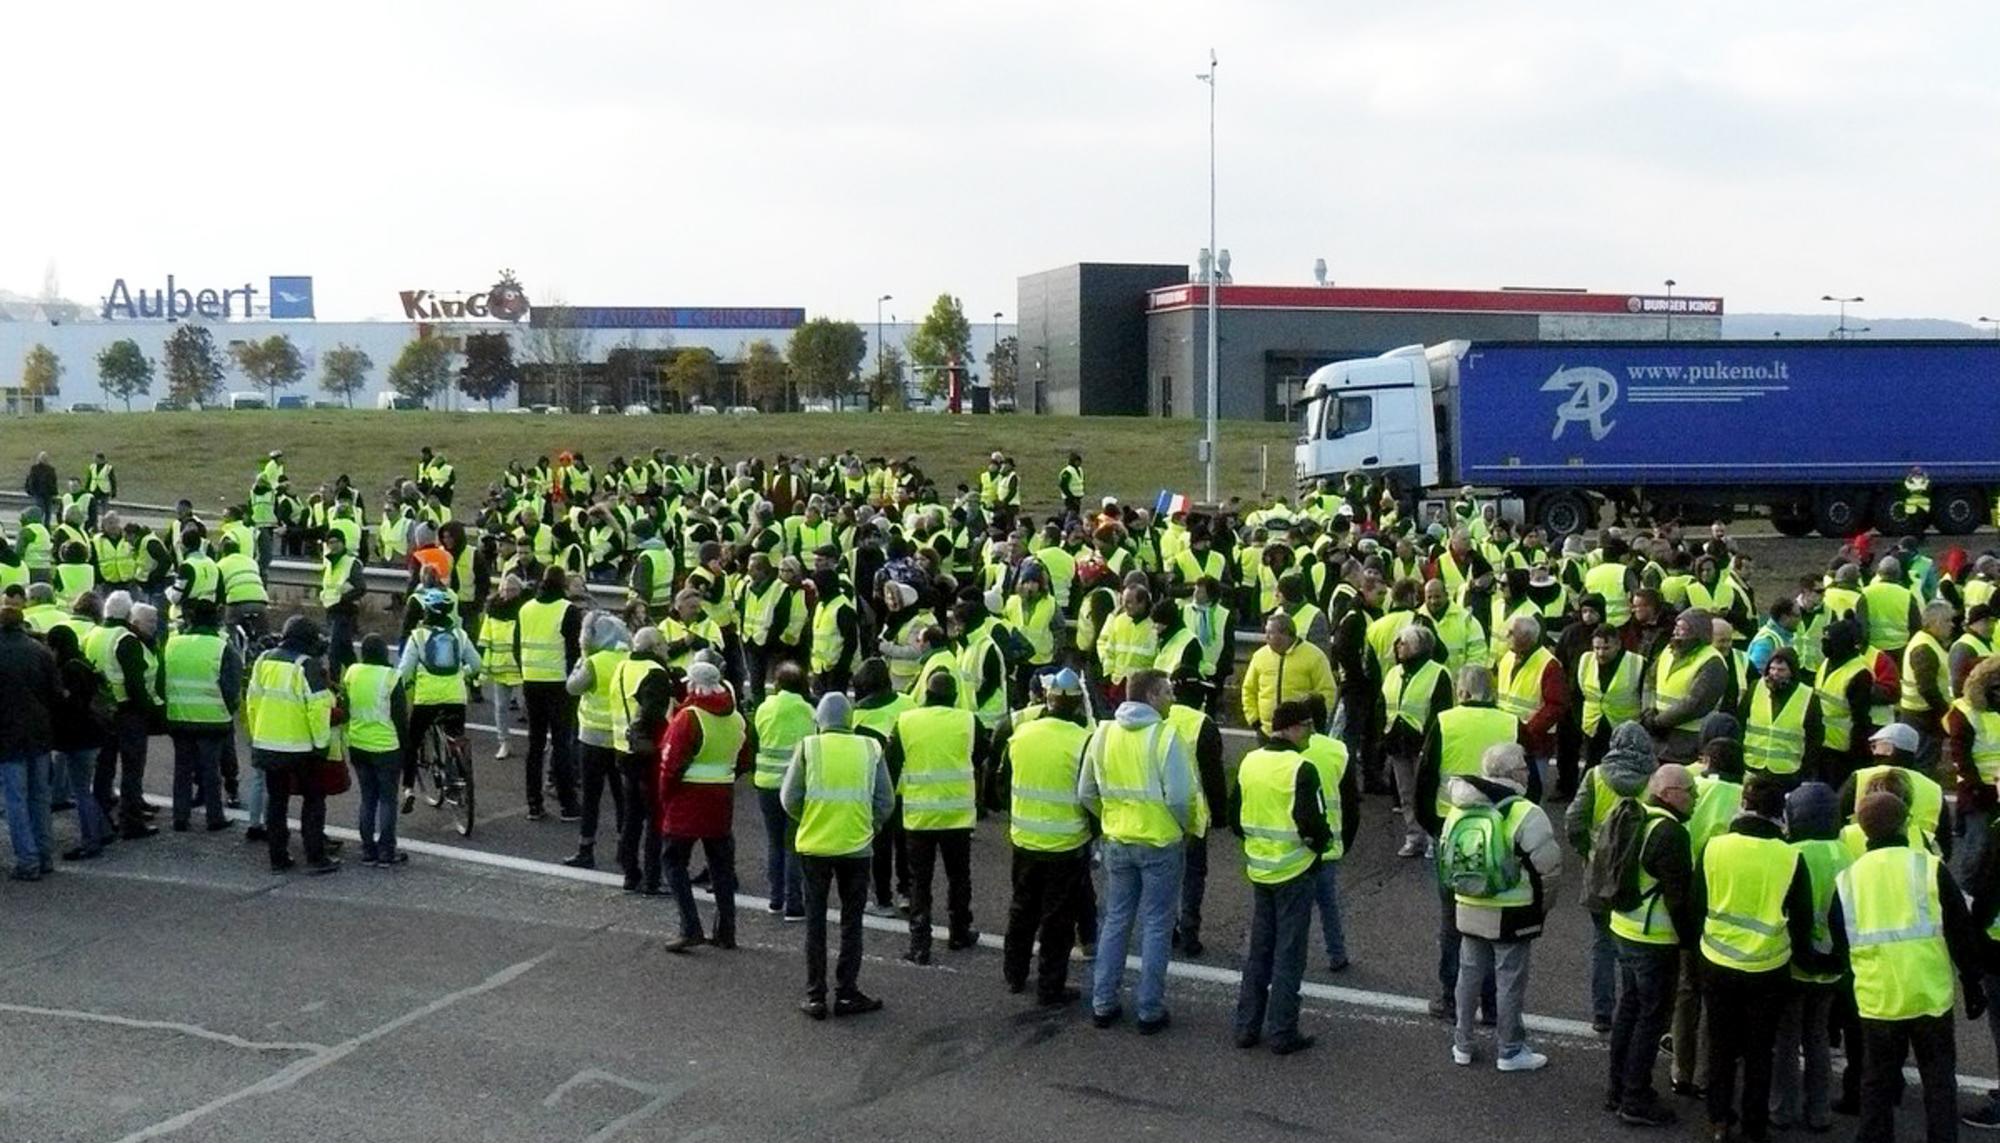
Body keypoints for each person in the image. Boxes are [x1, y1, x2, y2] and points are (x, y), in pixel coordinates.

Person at [1828, 791, 1987, 1143]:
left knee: (1876, 1082)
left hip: (1877, 997)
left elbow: (1840, 940)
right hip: (1929, 994)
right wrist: (1972, 983)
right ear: (1905, 824)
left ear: (1863, 830)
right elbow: (1961, 930)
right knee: (1939, 1080)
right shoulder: (1929, 867)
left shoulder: (1849, 879)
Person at [1693, 774, 1817, 1143]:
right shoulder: (1790, 857)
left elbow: (1697, 903)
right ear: (1780, 813)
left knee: (1721, 1045)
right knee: (1762, 1051)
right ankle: (1754, 1125)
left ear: (1744, 805)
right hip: (1768, 966)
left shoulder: (1715, 848)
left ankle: (1718, 1119)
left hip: (1716, 959)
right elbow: (1802, 918)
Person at [1081, 667, 1196, 1034]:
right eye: (1167, 693)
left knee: (1116, 920)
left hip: (1117, 840)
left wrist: (1110, 818)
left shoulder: (1102, 734)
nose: (1172, 699)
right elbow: (1179, 797)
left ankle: (1103, 1002)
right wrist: (1182, 827)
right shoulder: (1165, 737)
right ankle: (1149, 1009)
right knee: (1157, 925)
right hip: (1160, 842)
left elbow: (1086, 793)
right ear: (1150, 697)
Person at [1443, 741, 1563, 1072]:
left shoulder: (1459, 808)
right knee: (1509, 979)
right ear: (1512, 774)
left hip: (1468, 903)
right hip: (1512, 909)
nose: (1528, 772)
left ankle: (1462, 1043)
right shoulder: (1525, 812)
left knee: (1468, 975)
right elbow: (1548, 868)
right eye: (1524, 767)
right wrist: (1542, 909)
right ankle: (1509, 1049)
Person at [1229, 700, 1332, 1055]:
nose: (1311, 734)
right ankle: (1282, 1030)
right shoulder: (1301, 768)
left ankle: (1246, 1026)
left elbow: (1235, 816)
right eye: (1308, 727)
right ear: (1293, 729)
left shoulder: (1250, 761)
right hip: (1294, 870)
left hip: (1260, 867)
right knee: (1289, 953)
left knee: (1259, 949)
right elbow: (1313, 824)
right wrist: (1321, 846)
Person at [784, 691, 894, 1019]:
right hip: (856, 847)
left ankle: (815, 995)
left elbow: (789, 797)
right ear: (850, 721)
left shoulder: (809, 747)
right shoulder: (870, 748)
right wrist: (869, 826)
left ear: (820, 721)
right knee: (852, 921)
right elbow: (885, 801)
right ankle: (847, 992)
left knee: (815, 921)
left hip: (814, 846)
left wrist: (811, 819)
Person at [1604, 763, 1699, 1128]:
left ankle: (1617, 1088)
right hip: (1653, 938)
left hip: (1623, 928)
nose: (1693, 798)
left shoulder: (1635, 815)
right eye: (1689, 791)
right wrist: (1690, 942)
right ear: (1670, 792)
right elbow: (1678, 899)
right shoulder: (1670, 833)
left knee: (1628, 1010)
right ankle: (1636, 1096)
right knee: (1651, 1018)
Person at [1001, 667, 1094, 1006]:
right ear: (1074, 705)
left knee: (1022, 909)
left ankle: (1014, 974)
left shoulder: (1023, 733)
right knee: (1058, 921)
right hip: (1066, 845)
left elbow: (1002, 782)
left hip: (1024, 838)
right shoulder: (1083, 741)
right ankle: (1050, 987)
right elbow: (1091, 795)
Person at [1567, 721, 1661, 1035]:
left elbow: (1574, 821)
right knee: (1632, 949)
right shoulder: (1654, 780)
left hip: (1599, 871)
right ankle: (1630, 1009)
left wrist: (1588, 852)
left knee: (1602, 945)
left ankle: (1602, 1012)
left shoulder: (1595, 776)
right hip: (1637, 877)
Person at [1769, 781, 1849, 1134]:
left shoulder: (1793, 853)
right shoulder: (1848, 853)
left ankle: (1783, 1109)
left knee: (1786, 1038)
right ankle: (1820, 1111)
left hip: (1797, 960)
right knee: (1818, 1037)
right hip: (1834, 964)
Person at [890, 669, 984, 964]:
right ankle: (959, 931)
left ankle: (920, 943)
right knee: (959, 877)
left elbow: (892, 763)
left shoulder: (906, 721)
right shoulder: (968, 721)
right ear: (954, 697)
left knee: (920, 880)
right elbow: (981, 753)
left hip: (919, 815)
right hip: (956, 815)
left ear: (926, 694)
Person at [657, 661, 751, 953]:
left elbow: (670, 765)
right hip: (721, 801)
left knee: (673, 863)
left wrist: (665, 798)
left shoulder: (689, 718)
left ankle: (690, 927)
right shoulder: (736, 718)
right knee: (722, 868)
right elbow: (746, 759)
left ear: (694, 685)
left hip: (687, 801)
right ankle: (726, 931)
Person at [246, 616, 338, 874]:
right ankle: (315, 855)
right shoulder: (306, 665)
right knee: (313, 800)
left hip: (267, 744)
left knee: (276, 801)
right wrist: (321, 745)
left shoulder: (263, 661)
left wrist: (257, 735)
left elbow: (252, 701)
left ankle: (278, 856)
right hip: (301, 748)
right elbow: (318, 709)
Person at [85, 592, 161, 840]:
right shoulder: (126, 639)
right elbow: (135, 682)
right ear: (128, 615)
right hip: (128, 713)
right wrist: (149, 710)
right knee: (131, 770)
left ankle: (100, 820)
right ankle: (131, 821)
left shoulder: (93, 634)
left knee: (103, 769)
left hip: (101, 711)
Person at [162, 598, 241, 835]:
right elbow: (231, 687)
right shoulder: (221, 647)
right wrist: (226, 710)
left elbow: (160, 682)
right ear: (216, 619)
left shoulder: (173, 644)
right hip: (212, 718)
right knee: (210, 770)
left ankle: (180, 816)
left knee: (182, 770)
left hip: (179, 716)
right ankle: (214, 817)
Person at [562, 612, 630, 869]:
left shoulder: (594, 661)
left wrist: (582, 658)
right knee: (621, 795)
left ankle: (586, 848)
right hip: (620, 738)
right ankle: (625, 847)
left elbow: (573, 687)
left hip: (592, 738)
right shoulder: (627, 659)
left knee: (592, 797)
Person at [752, 662, 818, 920]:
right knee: (793, 844)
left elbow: (757, 739)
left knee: (774, 842)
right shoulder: (808, 711)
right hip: (795, 785)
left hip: (766, 782)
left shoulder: (764, 708)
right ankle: (794, 903)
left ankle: (775, 899)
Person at [0, 595, 59, 880]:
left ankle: (27, 860)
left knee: (16, 800)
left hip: (8, 737)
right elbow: (55, 694)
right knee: (40, 797)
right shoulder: (40, 651)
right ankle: (45, 855)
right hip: (39, 734)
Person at [611, 627, 674, 895]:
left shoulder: (622, 666)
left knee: (632, 816)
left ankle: (629, 871)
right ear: (656, 646)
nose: (668, 649)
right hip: (648, 752)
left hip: (622, 749)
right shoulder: (655, 672)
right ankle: (652, 877)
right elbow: (653, 713)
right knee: (655, 818)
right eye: (664, 645)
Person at [518, 566, 583, 821]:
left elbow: (517, 645)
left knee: (534, 745)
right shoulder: (568, 610)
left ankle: (534, 803)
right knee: (561, 744)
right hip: (558, 683)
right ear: (563, 585)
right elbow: (575, 651)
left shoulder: (526, 609)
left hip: (532, 680)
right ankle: (568, 804)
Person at [1383, 624, 1453, 859]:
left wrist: (1431, 743)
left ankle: (1433, 838)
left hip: (1422, 742)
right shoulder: (1394, 673)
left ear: (1419, 647)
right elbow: (1382, 705)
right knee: (1406, 793)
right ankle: (1414, 837)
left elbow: (1441, 712)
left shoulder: (1438, 673)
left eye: (1404, 642)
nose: (1398, 647)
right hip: (1397, 740)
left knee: (1428, 793)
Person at [343, 634, 409, 866]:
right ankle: (386, 851)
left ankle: (367, 850)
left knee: (367, 798)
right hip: (386, 746)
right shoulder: (391, 677)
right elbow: (400, 717)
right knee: (388, 800)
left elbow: (345, 705)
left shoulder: (352, 673)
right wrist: (406, 748)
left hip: (358, 743)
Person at [45, 624, 110, 861]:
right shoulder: (82, 663)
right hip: (93, 734)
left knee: (81, 791)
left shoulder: (67, 671)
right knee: (84, 789)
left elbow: (70, 708)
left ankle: (91, 841)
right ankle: (102, 830)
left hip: (78, 738)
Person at [1642, 608, 1728, 763]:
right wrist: (1648, 711)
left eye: (1682, 629)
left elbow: (1696, 703)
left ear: (1697, 632)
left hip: (1689, 740)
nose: (1676, 632)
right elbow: (1650, 681)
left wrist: (1659, 721)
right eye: (1676, 627)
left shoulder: (1712, 661)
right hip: (1658, 738)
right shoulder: (1668, 651)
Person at [1240, 613, 1338, 741]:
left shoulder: (1314, 656)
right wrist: (1254, 720)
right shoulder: (1260, 656)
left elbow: (1327, 691)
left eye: (1270, 633)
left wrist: (1313, 725)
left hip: (1299, 734)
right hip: (1266, 732)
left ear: (1285, 634)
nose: (1266, 637)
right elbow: (1249, 689)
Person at [1739, 648, 1824, 787]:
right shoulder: (1755, 688)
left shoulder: (1808, 696)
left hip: (1788, 772)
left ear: (1792, 671)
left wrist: (1806, 770)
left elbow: (1815, 738)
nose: (1775, 674)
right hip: (1753, 766)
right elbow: (1740, 721)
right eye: (1772, 669)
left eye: (1781, 670)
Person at [478, 574, 526, 761]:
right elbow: (485, 640)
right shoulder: (493, 610)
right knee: (500, 708)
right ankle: (504, 742)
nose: (507, 593)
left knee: (529, 708)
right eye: (505, 589)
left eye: (512, 590)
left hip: (521, 667)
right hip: (500, 667)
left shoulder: (525, 611)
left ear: (519, 591)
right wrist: (483, 669)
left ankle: (540, 741)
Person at [318, 530, 365, 678]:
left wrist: (343, 599)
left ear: (343, 543)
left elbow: (361, 587)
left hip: (345, 612)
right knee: (346, 653)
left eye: (337, 542)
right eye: (330, 542)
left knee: (334, 651)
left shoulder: (352, 562)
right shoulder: (329, 564)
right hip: (331, 612)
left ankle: (334, 684)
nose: (334, 545)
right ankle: (359, 677)